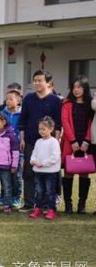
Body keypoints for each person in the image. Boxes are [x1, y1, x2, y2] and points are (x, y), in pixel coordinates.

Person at [18, 70, 62, 213]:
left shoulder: (55, 100)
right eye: (35, 80)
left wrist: (56, 140)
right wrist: (22, 139)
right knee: (30, 173)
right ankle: (29, 203)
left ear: (48, 83)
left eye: (40, 80)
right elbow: (23, 120)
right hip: (30, 141)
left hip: (49, 143)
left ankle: (45, 205)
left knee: (47, 174)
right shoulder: (28, 99)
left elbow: (58, 123)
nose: (36, 83)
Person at [61, 76, 92, 214]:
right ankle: (68, 204)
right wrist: (73, 141)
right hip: (70, 142)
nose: (76, 90)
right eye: (74, 87)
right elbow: (65, 122)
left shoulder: (91, 104)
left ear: (85, 88)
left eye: (79, 87)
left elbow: (93, 123)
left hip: (86, 142)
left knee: (84, 171)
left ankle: (82, 205)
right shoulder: (67, 103)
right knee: (68, 171)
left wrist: (86, 141)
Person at [29, 117, 61, 220]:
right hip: (38, 171)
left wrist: (43, 164)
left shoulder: (54, 142)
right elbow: (34, 153)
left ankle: (52, 210)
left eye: (43, 129)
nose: (41, 131)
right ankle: (38, 209)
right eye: (39, 129)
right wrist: (33, 161)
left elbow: (55, 157)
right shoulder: (38, 141)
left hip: (50, 172)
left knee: (50, 192)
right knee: (39, 191)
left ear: (51, 129)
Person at [1, 90, 23, 209]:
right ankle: (5, 196)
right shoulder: (2, 113)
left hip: (17, 149)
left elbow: (22, 129)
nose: (8, 101)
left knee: (17, 175)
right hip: (4, 149)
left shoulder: (23, 113)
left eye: (11, 99)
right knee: (5, 174)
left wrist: (18, 141)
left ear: (18, 101)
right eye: (7, 99)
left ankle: (17, 197)